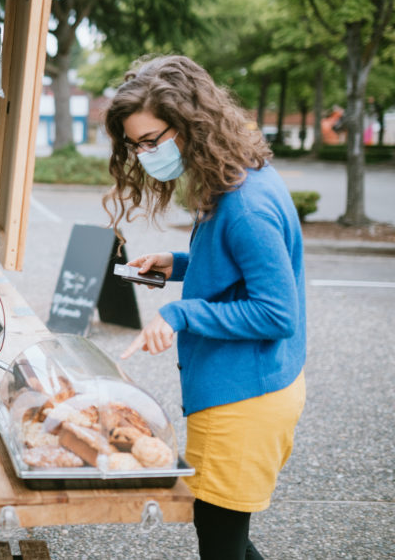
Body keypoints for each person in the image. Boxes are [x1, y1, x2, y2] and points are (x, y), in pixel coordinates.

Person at [103, 56, 306, 560]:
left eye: (152, 141)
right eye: (134, 146)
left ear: (191, 125)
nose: (144, 155)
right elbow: (234, 267)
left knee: (220, 544)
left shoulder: (245, 205)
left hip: (244, 398)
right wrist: (175, 264)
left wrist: (181, 314)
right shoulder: (236, 177)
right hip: (247, 386)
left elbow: (278, 313)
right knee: (225, 540)